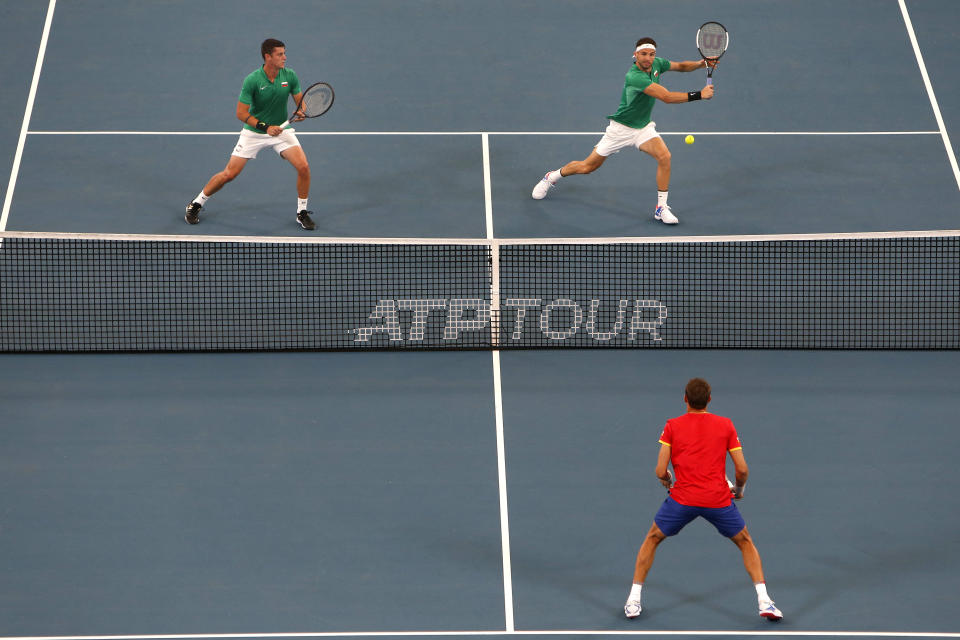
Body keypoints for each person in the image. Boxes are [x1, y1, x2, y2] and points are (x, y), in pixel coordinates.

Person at [623, 378, 783, 621]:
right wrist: (738, 491)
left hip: (682, 500)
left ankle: (633, 600)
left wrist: (667, 478)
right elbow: (742, 469)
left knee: (653, 538)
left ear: (685, 399)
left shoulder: (672, 426)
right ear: (709, 399)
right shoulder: (726, 425)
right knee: (745, 542)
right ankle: (765, 601)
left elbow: (660, 470)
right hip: (717, 500)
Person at [531, 37, 716, 225]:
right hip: (620, 130)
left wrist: (701, 64)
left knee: (664, 157)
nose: (648, 58)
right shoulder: (634, 77)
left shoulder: (658, 63)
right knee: (587, 167)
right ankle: (551, 177)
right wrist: (699, 95)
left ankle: (661, 208)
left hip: (643, 128)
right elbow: (666, 97)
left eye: (651, 54)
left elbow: (681, 67)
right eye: (643, 54)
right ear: (635, 55)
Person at [185, 38, 315, 230]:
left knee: (303, 167)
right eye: (280, 54)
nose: (284, 57)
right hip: (254, 132)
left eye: (284, 53)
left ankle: (301, 212)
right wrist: (265, 128)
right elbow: (241, 113)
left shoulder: (290, 75)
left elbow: (300, 102)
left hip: (281, 130)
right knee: (230, 174)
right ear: (267, 56)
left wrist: (302, 111)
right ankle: (196, 203)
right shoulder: (252, 80)